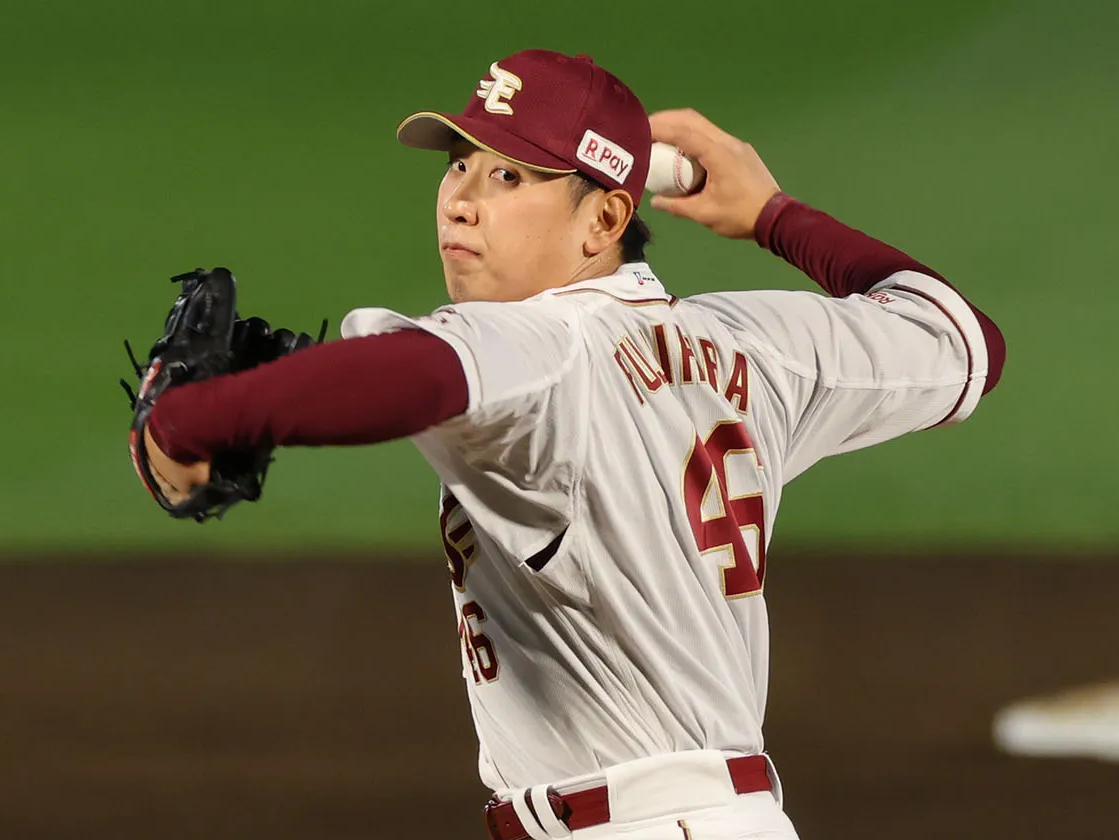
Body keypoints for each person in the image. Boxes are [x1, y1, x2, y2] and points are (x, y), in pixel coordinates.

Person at [141, 49, 1005, 840]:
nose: (461, 199)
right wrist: (775, 216)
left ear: (604, 220)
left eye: (509, 175)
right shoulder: (757, 346)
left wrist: (189, 424)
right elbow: (965, 341)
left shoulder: (547, 345)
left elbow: (425, 374)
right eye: (459, 163)